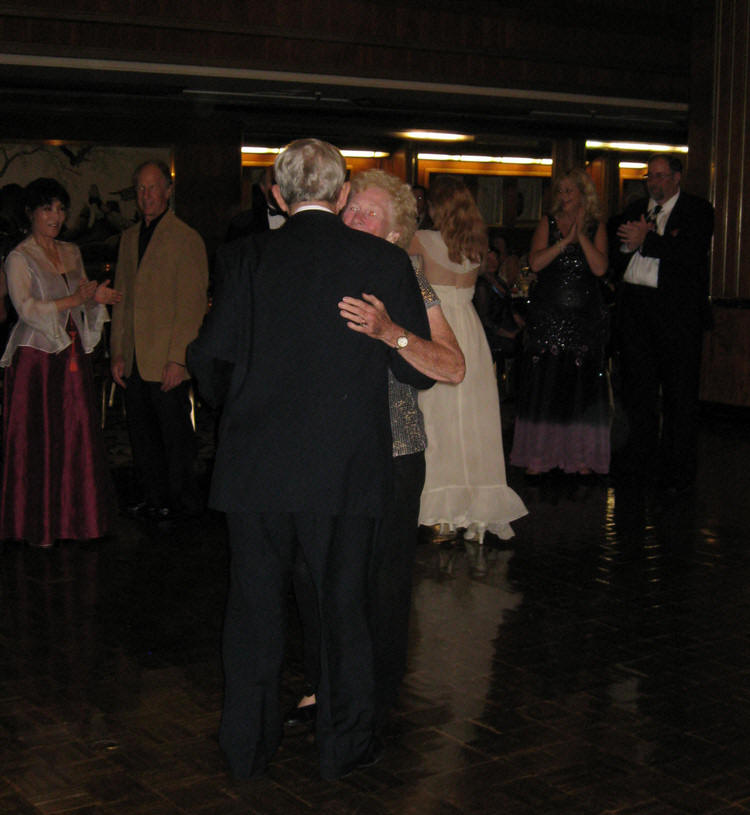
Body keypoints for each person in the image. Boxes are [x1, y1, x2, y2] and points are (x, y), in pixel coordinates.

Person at [186, 139, 433, 781]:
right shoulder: (381, 259)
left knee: (254, 608)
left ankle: (246, 745)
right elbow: (421, 374)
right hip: (345, 465)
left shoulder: (244, 258)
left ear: (277, 194)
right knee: (342, 608)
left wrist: (239, 409)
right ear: (343, 194)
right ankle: (342, 745)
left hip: (256, 465)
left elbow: (208, 359)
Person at [286, 168, 465, 732]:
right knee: (315, 572)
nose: (356, 218)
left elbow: (453, 366)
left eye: (370, 213)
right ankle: (323, 684)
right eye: (351, 208)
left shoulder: (408, 275)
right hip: (324, 451)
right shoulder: (314, 267)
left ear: (394, 233)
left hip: (393, 451)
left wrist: (392, 333)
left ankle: (375, 695)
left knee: (381, 582)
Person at [0, 177, 122, 548]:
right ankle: (35, 524)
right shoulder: (19, 257)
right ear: (31, 213)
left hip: (69, 354)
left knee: (75, 433)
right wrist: (73, 301)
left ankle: (77, 519)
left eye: (60, 209)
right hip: (36, 361)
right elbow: (26, 309)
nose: (55, 216)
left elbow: (81, 298)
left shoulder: (71, 251)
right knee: (38, 438)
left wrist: (94, 297)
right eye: (47, 209)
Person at [409, 175, 527, 543]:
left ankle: (441, 514)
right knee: (474, 422)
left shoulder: (420, 240)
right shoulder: (476, 246)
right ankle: (476, 513)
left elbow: (411, 288)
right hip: (470, 333)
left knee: (437, 419)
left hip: (438, 328)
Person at [109, 160, 209, 522]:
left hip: (166, 356)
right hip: (135, 356)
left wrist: (179, 360)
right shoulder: (129, 238)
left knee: (175, 437)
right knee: (142, 435)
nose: (146, 195)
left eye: (153, 188)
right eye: (140, 189)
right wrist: (118, 352)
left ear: (168, 191)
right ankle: (153, 496)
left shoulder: (186, 238)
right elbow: (121, 300)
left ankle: (180, 500)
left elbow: (192, 306)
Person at [612, 154, 714, 493]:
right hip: (637, 311)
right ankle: (637, 463)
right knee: (636, 392)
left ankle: (677, 469)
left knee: (678, 395)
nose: (654, 183)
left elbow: (689, 254)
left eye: (660, 176)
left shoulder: (698, 210)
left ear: (676, 177)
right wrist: (626, 245)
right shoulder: (636, 209)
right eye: (649, 177)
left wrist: (648, 241)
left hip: (677, 317)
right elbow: (618, 251)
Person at [510, 168, 610, 479]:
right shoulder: (547, 223)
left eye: (570, 191)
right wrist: (563, 242)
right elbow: (536, 262)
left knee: (579, 387)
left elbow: (600, 268)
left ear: (583, 194)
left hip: (583, 319)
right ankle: (540, 455)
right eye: (561, 191)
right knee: (546, 384)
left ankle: (579, 456)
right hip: (549, 316)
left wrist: (580, 236)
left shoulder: (596, 227)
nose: (564, 197)